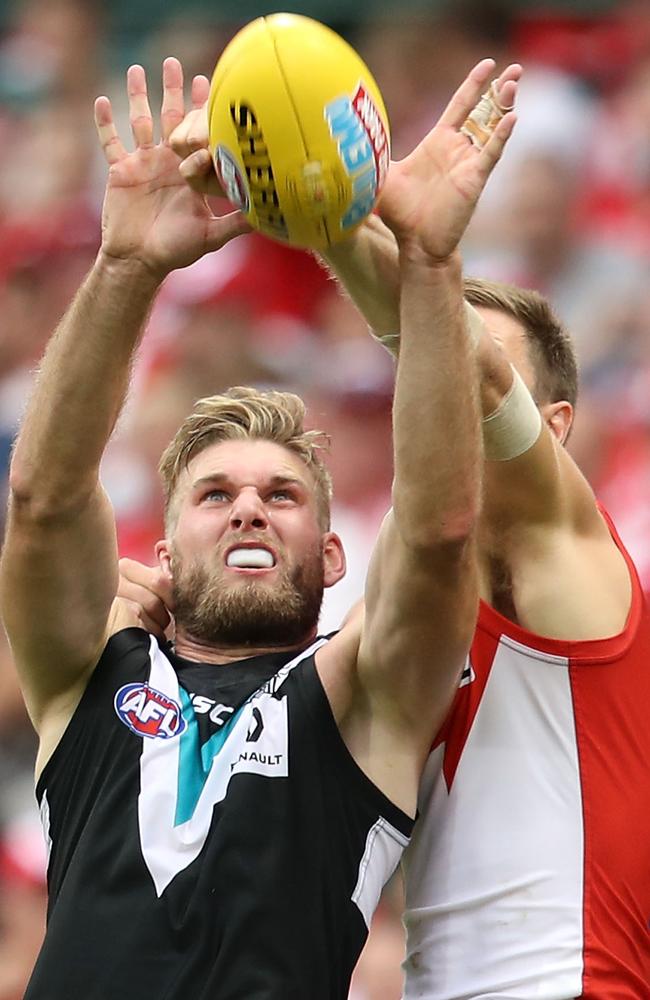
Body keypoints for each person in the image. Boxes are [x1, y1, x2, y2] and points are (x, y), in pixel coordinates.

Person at [0, 57, 518, 999]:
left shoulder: (360, 695)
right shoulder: (89, 671)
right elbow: (44, 498)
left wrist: (431, 271)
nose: (247, 506)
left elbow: (441, 530)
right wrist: (126, 266)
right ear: (161, 551)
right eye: (214, 495)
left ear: (332, 556)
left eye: (282, 496)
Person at [169, 72, 650, 997]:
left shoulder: (573, 570)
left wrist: (338, 213)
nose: (434, 387)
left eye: (461, 357)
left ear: (552, 430)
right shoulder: (393, 624)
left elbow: (474, 385)